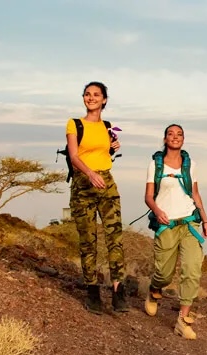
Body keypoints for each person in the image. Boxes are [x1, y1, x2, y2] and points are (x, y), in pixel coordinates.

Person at [65, 81, 129, 314]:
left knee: (115, 235)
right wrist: (90, 174)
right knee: (88, 239)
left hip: (106, 181)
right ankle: (92, 291)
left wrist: (113, 148)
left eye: (96, 95)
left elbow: (105, 153)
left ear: (104, 100)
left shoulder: (108, 126)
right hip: (84, 183)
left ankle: (118, 290)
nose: (91, 98)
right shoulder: (75, 124)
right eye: (87, 94)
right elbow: (74, 156)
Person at [143, 124, 207, 339]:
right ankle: (154, 290)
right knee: (164, 272)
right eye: (171, 134)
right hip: (166, 224)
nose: (175, 137)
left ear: (183, 139)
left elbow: (196, 194)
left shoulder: (191, 165)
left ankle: (182, 321)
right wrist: (157, 211)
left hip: (190, 222)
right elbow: (148, 196)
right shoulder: (156, 165)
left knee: (192, 269)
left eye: (179, 134)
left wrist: (205, 218)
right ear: (165, 139)